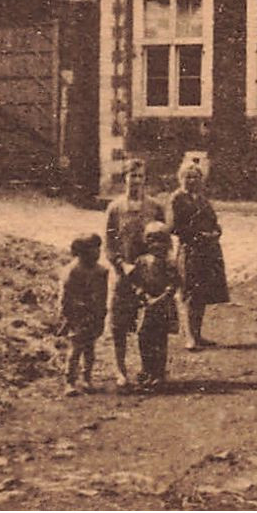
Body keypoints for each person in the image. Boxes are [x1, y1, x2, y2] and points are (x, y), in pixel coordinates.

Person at [104, 159, 166, 387]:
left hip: (149, 272)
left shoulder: (155, 207)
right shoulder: (115, 208)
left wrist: (158, 264)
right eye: (132, 176)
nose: (136, 181)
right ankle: (120, 370)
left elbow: (164, 240)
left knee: (152, 323)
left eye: (140, 176)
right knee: (119, 323)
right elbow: (109, 244)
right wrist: (121, 265)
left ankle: (149, 369)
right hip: (124, 271)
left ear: (145, 179)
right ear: (125, 178)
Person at [168, 153, 229, 351]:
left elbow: (214, 220)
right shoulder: (177, 199)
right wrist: (198, 235)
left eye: (196, 176)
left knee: (202, 294)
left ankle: (198, 333)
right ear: (181, 178)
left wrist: (215, 232)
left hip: (208, 251)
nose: (192, 180)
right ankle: (189, 337)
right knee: (189, 294)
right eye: (188, 176)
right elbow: (173, 227)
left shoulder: (202, 199)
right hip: (190, 250)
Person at [129, 222, 180, 391]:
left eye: (161, 241)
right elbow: (134, 282)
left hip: (162, 305)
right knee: (144, 338)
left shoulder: (169, 263)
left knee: (160, 339)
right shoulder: (141, 261)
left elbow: (173, 285)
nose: (157, 245)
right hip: (145, 305)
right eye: (152, 241)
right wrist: (142, 294)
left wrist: (161, 298)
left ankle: (158, 373)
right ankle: (147, 369)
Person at [57, 233, 108, 396]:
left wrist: (101, 314)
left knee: (90, 348)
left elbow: (102, 295)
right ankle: (70, 381)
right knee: (76, 348)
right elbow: (65, 297)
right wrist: (68, 317)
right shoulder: (72, 271)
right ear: (82, 252)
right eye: (93, 249)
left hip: (93, 314)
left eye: (98, 248)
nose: (97, 252)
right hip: (77, 314)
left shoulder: (101, 271)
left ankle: (87, 378)